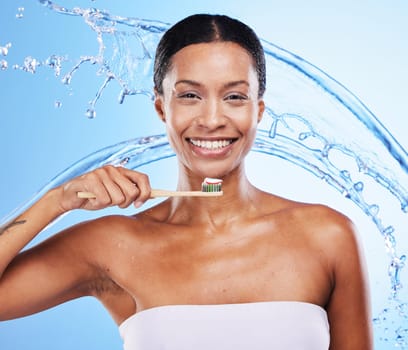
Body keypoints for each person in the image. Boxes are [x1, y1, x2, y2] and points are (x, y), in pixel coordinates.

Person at [0, 14, 372, 350]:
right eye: (190, 96)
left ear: (258, 109)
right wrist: (57, 200)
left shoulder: (328, 236)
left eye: (235, 97)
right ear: (162, 107)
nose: (212, 119)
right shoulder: (112, 246)